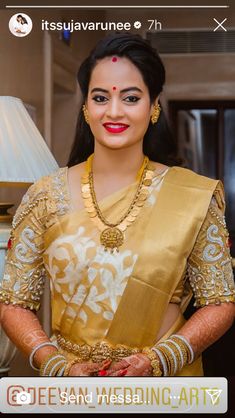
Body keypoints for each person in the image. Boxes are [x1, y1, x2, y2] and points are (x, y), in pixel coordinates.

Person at [0, 33, 234, 378]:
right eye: (99, 97)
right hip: (74, 389)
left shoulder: (192, 196)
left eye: (131, 97)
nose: (113, 111)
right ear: (86, 107)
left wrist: (158, 360)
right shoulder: (45, 195)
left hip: (165, 386)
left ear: (153, 106)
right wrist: (57, 364)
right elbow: (13, 303)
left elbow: (219, 302)